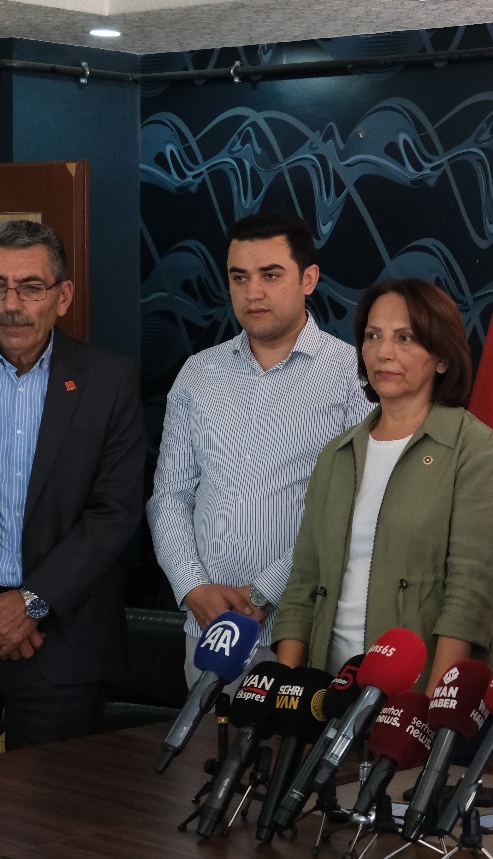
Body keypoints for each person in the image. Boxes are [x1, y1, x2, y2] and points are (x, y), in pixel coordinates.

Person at [148, 212, 371, 686]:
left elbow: (355, 507)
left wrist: (263, 591)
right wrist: (192, 586)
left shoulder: (353, 375)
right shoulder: (198, 373)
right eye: (239, 277)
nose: (252, 292)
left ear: (308, 278)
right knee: (203, 738)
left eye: (270, 275)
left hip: (307, 629)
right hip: (208, 628)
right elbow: (169, 496)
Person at [272, 278, 493, 690]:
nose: (383, 352)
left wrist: (427, 708)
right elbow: (303, 585)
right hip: (325, 693)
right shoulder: (337, 455)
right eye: (373, 336)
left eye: (405, 338)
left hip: (415, 694)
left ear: (442, 357)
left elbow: (468, 598)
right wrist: (288, 693)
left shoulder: (475, 452)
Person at [0, 220, 145, 748]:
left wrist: (28, 605)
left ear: (63, 296)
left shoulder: (108, 381)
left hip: (63, 641)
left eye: (30, 287)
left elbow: (114, 513)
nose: (12, 304)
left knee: (52, 801)